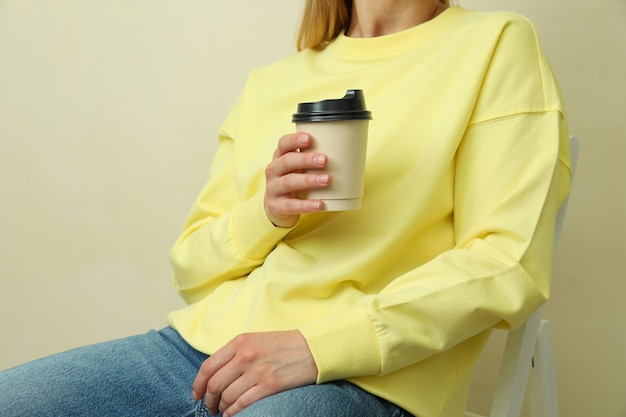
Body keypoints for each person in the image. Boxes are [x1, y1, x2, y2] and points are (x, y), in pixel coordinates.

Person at [0, 0, 573, 416]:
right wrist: (267, 214)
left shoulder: (495, 45)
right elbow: (191, 268)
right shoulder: (273, 82)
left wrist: (316, 347)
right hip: (199, 352)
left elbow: (505, 262)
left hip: (362, 377)